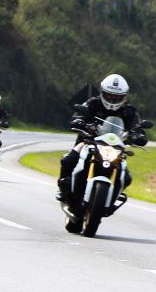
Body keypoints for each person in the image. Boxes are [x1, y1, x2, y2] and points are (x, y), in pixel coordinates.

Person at [56, 74, 148, 202]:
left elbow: (137, 127)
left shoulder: (129, 111)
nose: (113, 99)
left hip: (115, 148)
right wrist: (79, 121)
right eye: (109, 95)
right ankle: (63, 188)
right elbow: (78, 115)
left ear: (124, 96)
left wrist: (138, 135)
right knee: (68, 160)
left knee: (127, 178)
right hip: (88, 142)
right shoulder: (93, 103)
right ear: (102, 92)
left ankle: (113, 195)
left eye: (117, 97)